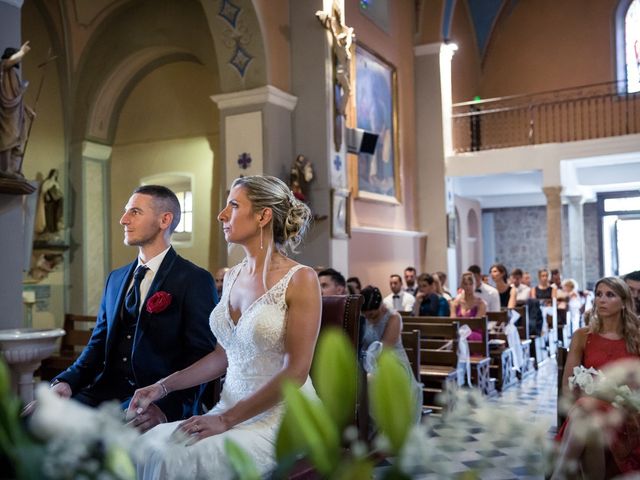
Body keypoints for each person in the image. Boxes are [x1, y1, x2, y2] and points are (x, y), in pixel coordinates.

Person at [131, 175, 321, 479]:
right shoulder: (231, 276)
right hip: (229, 407)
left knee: (186, 458)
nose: (222, 215)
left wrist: (226, 420)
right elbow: (223, 356)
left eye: (233, 205)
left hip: (281, 416)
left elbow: (296, 371)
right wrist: (163, 385)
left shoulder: (301, 279)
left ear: (263, 215)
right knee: (150, 443)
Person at [28, 185, 217, 431]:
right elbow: (97, 346)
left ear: (164, 220)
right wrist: (65, 383)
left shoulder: (194, 279)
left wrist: (168, 408)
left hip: (152, 401)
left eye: (135, 212)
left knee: (90, 442)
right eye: (126, 212)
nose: (123, 219)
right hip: (101, 393)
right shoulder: (115, 279)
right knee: (29, 424)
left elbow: (200, 358)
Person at [553, 277, 640, 479]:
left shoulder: (637, 337)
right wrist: (589, 389)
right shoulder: (583, 336)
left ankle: (559, 474)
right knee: (588, 414)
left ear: (624, 302)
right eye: (599, 294)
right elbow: (568, 385)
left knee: (586, 415)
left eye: (610, 295)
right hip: (589, 409)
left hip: (626, 416)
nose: (601, 300)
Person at [359, 285, 422, 424]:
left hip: (392, 362)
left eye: (373, 315)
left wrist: (368, 366)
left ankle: (386, 425)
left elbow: (384, 348)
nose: (369, 318)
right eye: (366, 315)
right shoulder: (362, 318)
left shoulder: (394, 317)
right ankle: (363, 427)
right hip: (367, 361)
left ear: (381, 304)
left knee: (372, 381)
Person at [1, 41, 35, 179]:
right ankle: (4, 168)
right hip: (6, 112)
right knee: (7, 139)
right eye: (15, 57)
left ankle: (13, 169)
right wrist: (22, 52)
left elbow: (18, 97)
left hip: (16, 112)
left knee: (16, 140)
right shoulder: (3, 66)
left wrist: (28, 110)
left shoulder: (14, 74)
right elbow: (9, 62)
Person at [450, 272, 487, 341]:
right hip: (459, 333)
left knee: (462, 337)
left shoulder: (480, 303)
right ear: (462, 286)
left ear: (475, 285)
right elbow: (453, 321)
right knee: (456, 337)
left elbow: (476, 324)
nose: (468, 287)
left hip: (475, 334)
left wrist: (462, 330)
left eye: (471, 284)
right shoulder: (455, 303)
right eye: (465, 284)